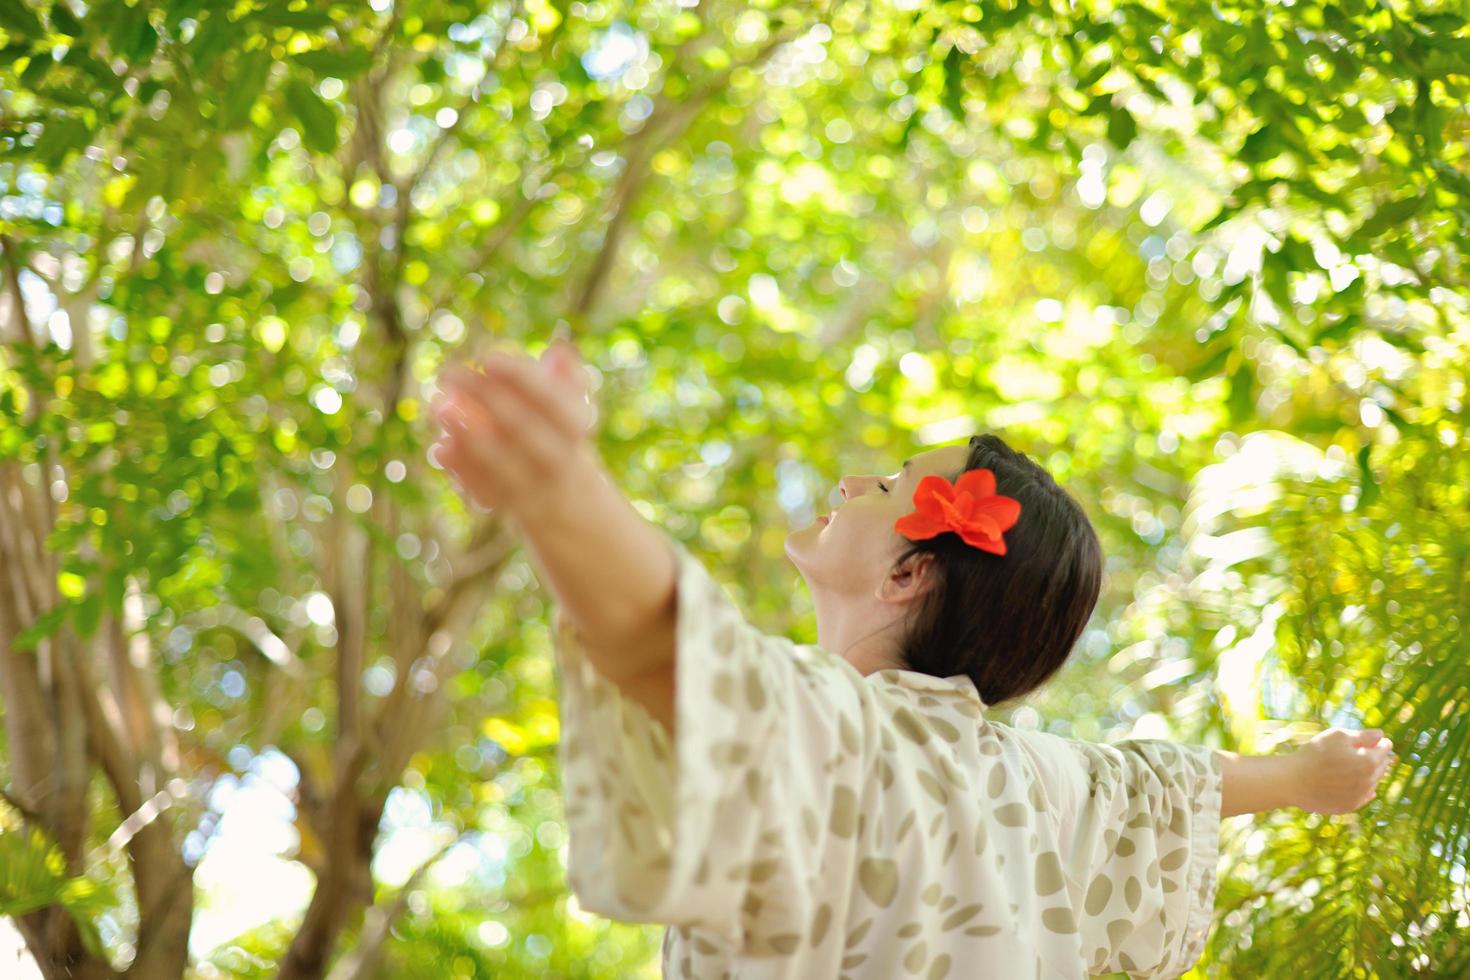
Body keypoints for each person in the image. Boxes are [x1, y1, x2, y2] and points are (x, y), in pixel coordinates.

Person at [429, 340, 1397, 979]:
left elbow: (665, 644)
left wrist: (560, 490)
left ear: (908, 572)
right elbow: (1170, 782)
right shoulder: (1039, 779)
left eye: (889, 481)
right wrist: (1305, 777)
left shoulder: (832, 724)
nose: (855, 479)